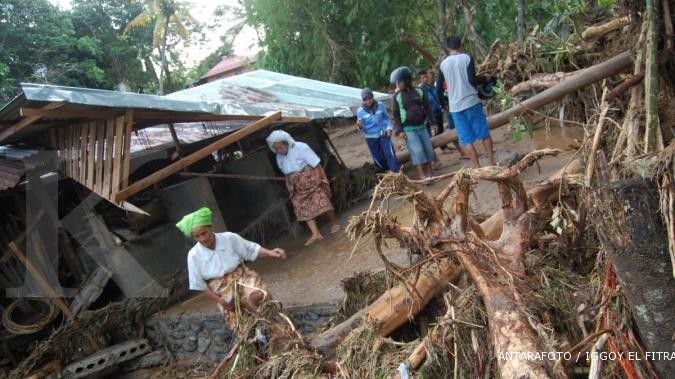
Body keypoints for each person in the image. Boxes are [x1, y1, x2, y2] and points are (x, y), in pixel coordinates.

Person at [176, 207, 286, 327]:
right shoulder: (193, 256)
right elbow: (200, 285)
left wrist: (270, 252)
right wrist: (220, 301)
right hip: (221, 290)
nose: (202, 238)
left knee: (257, 296)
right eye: (197, 236)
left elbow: (250, 248)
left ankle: (276, 325)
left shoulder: (229, 238)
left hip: (243, 277)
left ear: (210, 228)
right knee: (243, 326)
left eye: (204, 233)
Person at [266, 130, 340, 246]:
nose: (278, 151)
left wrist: (317, 179)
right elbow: (285, 172)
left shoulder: (301, 147)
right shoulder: (278, 157)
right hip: (296, 185)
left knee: (322, 201)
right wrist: (290, 184)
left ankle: (334, 222)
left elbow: (315, 164)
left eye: (280, 147)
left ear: (286, 143)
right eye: (276, 149)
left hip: (310, 179)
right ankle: (316, 233)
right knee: (301, 206)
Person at [437, 36, 495, 167]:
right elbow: (472, 80)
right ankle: (492, 163)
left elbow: (437, 90)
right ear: (460, 44)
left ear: (448, 47)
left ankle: (477, 167)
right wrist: (485, 78)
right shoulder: (467, 58)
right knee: (484, 134)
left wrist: (444, 106)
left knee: (466, 140)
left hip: (455, 108)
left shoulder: (443, 64)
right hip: (472, 102)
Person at [390, 66, 435, 181]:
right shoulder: (397, 96)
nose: (397, 85)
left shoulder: (419, 91)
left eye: (399, 82)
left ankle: (430, 172)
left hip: (422, 126)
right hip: (409, 129)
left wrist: (432, 122)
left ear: (406, 80)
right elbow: (395, 115)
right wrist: (399, 130)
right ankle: (421, 175)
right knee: (417, 151)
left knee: (428, 149)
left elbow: (427, 107)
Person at [356, 88, 400, 173]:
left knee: (389, 154)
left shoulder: (380, 105)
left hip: (384, 134)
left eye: (369, 98)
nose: (368, 101)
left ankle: (396, 173)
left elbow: (386, 118)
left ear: (372, 97)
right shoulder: (360, 111)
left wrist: (389, 128)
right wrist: (360, 126)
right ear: (363, 100)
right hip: (371, 138)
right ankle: (387, 173)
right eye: (365, 100)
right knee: (378, 158)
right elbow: (360, 126)